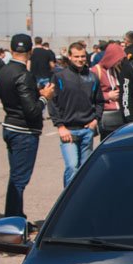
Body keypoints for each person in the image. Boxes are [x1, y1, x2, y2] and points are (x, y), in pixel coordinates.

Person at [0, 33, 55, 221]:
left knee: (16, 177)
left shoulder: (4, 71)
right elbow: (32, 110)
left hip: (10, 125)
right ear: (30, 51)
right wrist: (45, 97)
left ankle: (16, 215)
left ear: (11, 49)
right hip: (24, 131)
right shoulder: (23, 74)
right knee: (20, 179)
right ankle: (14, 220)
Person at [49, 41, 103, 187]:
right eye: (76, 56)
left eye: (82, 56)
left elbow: (99, 101)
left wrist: (95, 120)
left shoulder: (92, 77)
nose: (80, 59)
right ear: (70, 57)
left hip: (87, 129)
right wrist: (60, 126)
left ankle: (83, 197)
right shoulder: (60, 77)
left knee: (85, 169)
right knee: (72, 167)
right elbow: (52, 102)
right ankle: (69, 198)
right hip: (68, 131)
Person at [95, 42, 125, 139]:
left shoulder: (117, 69)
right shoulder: (96, 71)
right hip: (106, 115)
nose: (119, 62)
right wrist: (108, 96)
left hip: (119, 114)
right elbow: (89, 94)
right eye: (118, 59)